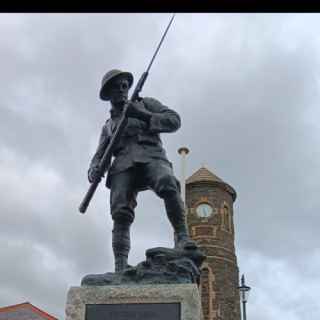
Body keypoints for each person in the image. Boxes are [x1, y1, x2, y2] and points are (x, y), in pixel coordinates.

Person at [88, 69, 196, 273]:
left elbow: (174, 121)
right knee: (120, 212)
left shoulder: (146, 104)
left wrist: (141, 115)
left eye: (124, 85)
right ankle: (120, 265)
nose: (122, 89)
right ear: (108, 93)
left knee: (167, 183)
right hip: (123, 165)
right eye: (116, 87)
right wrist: (94, 168)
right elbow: (99, 154)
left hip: (151, 156)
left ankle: (182, 238)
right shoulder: (108, 126)